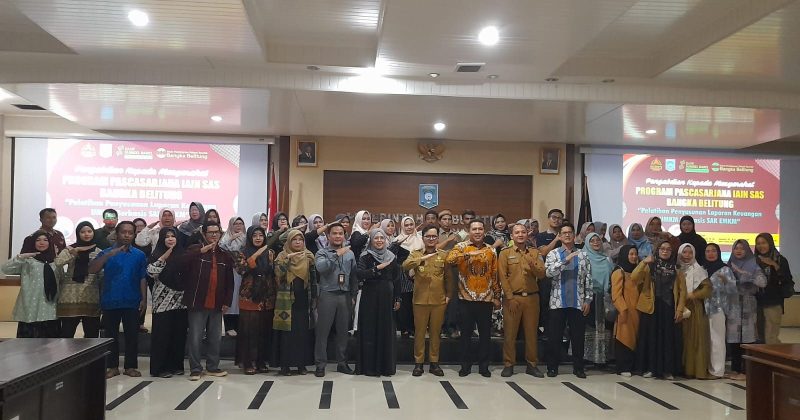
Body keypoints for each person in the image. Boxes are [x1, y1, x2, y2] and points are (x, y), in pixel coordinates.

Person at [88, 221, 148, 378]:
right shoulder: (106, 252)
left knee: (132, 336)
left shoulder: (139, 255)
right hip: (110, 300)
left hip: (132, 300)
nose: (127, 235)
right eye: (123, 232)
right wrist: (108, 255)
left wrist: (144, 299)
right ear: (117, 233)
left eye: (130, 233)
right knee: (111, 336)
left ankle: (130, 366)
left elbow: (142, 278)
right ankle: (112, 366)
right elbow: (92, 269)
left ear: (134, 235)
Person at [446, 219, 500, 377]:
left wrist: (497, 296)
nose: (477, 232)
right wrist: (467, 254)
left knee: (485, 336)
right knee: (466, 335)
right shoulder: (461, 247)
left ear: (484, 231)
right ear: (469, 231)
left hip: (486, 299)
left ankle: (484, 366)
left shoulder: (491, 250)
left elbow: (494, 275)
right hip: (466, 299)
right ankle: (465, 365)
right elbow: (450, 260)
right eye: (474, 229)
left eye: (480, 229)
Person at [181, 222, 234, 381]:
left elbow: (229, 281)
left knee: (215, 337)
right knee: (195, 337)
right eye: (210, 232)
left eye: (217, 232)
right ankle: (195, 369)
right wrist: (200, 251)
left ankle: (212, 366)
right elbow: (181, 263)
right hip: (197, 301)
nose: (214, 235)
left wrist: (227, 301)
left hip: (217, 302)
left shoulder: (224, 255)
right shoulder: (195, 249)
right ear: (204, 234)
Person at [544, 222, 592, 378]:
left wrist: (588, 300)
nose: (567, 235)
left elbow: (588, 278)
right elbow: (549, 273)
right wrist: (566, 260)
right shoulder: (553, 254)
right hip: (557, 302)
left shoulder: (583, 254)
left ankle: (578, 368)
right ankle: (552, 367)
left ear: (574, 235)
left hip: (578, 302)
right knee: (554, 337)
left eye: (569, 232)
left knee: (578, 337)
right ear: (559, 236)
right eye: (564, 233)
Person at [498, 223, 546, 377]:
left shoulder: (534, 252)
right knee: (510, 334)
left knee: (531, 334)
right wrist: (509, 297)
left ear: (527, 235)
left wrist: (532, 263)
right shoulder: (505, 253)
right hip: (513, 299)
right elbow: (502, 277)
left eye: (523, 232)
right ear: (512, 236)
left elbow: (542, 274)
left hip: (532, 298)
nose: (520, 235)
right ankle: (508, 364)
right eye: (517, 232)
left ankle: (532, 364)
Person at [403, 225, 452, 376]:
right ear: (423, 238)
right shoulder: (415, 253)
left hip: (439, 300)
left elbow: (449, 277)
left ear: (437, 238)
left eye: (434, 236)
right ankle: (418, 363)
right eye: (428, 236)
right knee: (419, 333)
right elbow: (405, 266)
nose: (431, 239)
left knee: (436, 333)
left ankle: (434, 363)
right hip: (420, 300)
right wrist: (422, 258)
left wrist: (449, 295)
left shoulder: (443, 255)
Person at [634, 240, 687, 380]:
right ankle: (651, 368)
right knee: (651, 339)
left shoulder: (677, 268)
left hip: (669, 307)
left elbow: (683, 291)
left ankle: (667, 370)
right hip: (651, 307)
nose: (665, 251)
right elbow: (634, 278)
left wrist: (680, 309)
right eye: (662, 248)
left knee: (668, 340)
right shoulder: (650, 265)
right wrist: (644, 262)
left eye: (668, 249)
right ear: (657, 250)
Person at [354, 228, 402, 377]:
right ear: (371, 240)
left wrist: (398, 298)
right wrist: (376, 269)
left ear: (385, 240)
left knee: (385, 330)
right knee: (370, 330)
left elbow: (397, 279)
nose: (379, 240)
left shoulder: (391, 257)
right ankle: (369, 367)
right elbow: (359, 274)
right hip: (370, 298)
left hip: (387, 298)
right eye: (376, 238)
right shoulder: (365, 256)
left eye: (382, 238)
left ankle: (385, 367)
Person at [314, 223, 358, 377]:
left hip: (345, 295)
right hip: (328, 294)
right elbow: (321, 268)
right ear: (328, 236)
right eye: (334, 233)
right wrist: (336, 254)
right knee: (323, 332)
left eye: (341, 233)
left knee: (343, 332)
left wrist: (353, 295)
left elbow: (354, 276)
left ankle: (342, 363)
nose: (338, 236)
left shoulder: (350, 254)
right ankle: (320, 364)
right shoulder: (322, 252)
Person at [272, 229, 317, 375]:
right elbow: (278, 272)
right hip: (286, 300)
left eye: (300, 240)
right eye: (294, 240)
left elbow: (314, 278)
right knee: (287, 334)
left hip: (303, 299)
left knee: (302, 333)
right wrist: (288, 259)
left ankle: (300, 365)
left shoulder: (309, 256)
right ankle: (285, 365)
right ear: (289, 242)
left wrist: (315, 297)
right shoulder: (282, 255)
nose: (298, 242)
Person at [2, 231, 61, 338]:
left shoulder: (55, 262)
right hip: (31, 308)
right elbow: (5, 269)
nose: (42, 243)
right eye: (38, 240)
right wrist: (21, 257)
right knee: (29, 344)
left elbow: (61, 280)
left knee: (51, 344)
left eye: (45, 240)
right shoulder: (27, 261)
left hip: (50, 309)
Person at [147, 227, 188, 378]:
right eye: (167, 236)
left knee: (178, 335)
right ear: (162, 239)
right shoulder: (156, 253)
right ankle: (159, 368)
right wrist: (164, 256)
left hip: (180, 300)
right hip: (163, 300)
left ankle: (176, 366)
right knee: (162, 335)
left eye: (173, 236)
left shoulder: (182, 253)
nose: (170, 239)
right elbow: (151, 272)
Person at [236, 226, 278, 375]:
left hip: (267, 297)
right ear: (250, 237)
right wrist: (254, 257)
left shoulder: (270, 253)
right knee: (249, 331)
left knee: (263, 331)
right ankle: (247, 362)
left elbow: (273, 273)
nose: (258, 238)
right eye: (255, 235)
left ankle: (261, 361)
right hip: (249, 296)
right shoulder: (242, 253)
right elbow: (241, 270)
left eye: (261, 235)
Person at [726, 240, 767, 379]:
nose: (738, 251)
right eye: (736, 248)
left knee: (747, 339)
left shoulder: (753, 265)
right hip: (733, 305)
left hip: (748, 305)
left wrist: (743, 273)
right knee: (734, 338)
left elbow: (762, 282)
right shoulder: (728, 265)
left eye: (742, 248)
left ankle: (746, 371)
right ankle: (735, 369)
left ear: (747, 250)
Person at [55, 221, 101, 338]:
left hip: (91, 296)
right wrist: (73, 253)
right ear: (78, 233)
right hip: (70, 296)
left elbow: (101, 273)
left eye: (89, 231)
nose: (86, 234)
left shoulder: (98, 251)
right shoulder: (70, 249)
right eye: (83, 232)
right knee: (67, 334)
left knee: (91, 336)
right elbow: (58, 263)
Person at [703, 243, 739, 379]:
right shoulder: (702, 269)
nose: (710, 253)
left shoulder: (725, 269)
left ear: (718, 253)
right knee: (706, 340)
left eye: (713, 251)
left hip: (718, 309)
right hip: (702, 309)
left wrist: (726, 282)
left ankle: (717, 370)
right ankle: (706, 367)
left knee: (717, 339)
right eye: (708, 251)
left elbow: (733, 290)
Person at [677, 243, 712, 379]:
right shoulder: (675, 269)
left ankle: (693, 370)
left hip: (694, 308)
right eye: (684, 252)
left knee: (694, 339)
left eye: (690, 252)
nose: (687, 255)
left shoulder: (699, 270)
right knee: (680, 338)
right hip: (678, 307)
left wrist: (694, 295)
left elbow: (707, 289)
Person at [754, 233, 793, 345]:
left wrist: (774, 265)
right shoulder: (753, 260)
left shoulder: (780, 260)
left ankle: (771, 356)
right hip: (756, 302)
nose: (761, 246)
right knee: (758, 336)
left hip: (773, 302)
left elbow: (787, 280)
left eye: (764, 243)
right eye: (758, 243)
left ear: (770, 243)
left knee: (771, 337)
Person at [583, 232, 614, 369]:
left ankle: (602, 359)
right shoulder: (584, 258)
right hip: (589, 297)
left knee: (604, 329)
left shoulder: (606, 259)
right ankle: (587, 358)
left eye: (598, 240)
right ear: (587, 243)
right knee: (589, 328)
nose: (595, 242)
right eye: (592, 241)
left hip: (605, 298)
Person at [611, 245, 641, 376]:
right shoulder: (619, 271)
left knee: (635, 338)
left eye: (635, 254)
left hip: (638, 310)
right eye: (631, 254)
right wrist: (622, 309)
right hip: (625, 311)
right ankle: (624, 367)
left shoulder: (638, 270)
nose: (634, 257)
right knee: (624, 337)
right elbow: (616, 294)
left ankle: (634, 365)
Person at [537, 209, 564, 334]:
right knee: (546, 303)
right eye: (554, 217)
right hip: (547, 275)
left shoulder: (566, 235)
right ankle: (546, 331)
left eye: (559, 218)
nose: (556, 220)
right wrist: (556, 239)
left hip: (563, 275)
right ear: (548, 219)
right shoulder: (541, 236)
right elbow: (543, 252)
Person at [396, 216, 423, 339]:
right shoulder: (397, 240)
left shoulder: (420, 240)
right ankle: (405, 328)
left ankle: (417, 328)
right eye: (406, 225)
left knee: (417, 303)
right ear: (402, 226)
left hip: (419, 274)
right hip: (403, 275)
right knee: (406, 302)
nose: (409, 227)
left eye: (411, 224)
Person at [220, 216, 247, 337]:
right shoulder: (225, 237)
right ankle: (229, 326)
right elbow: (221, 247)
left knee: (239, 298)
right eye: (236, 224)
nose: (238, 226)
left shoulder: (246, 238)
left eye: (241, 223)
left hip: (242, 272)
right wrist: (231, 238)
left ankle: (238, 325)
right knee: (230, 297)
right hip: (229, 271)